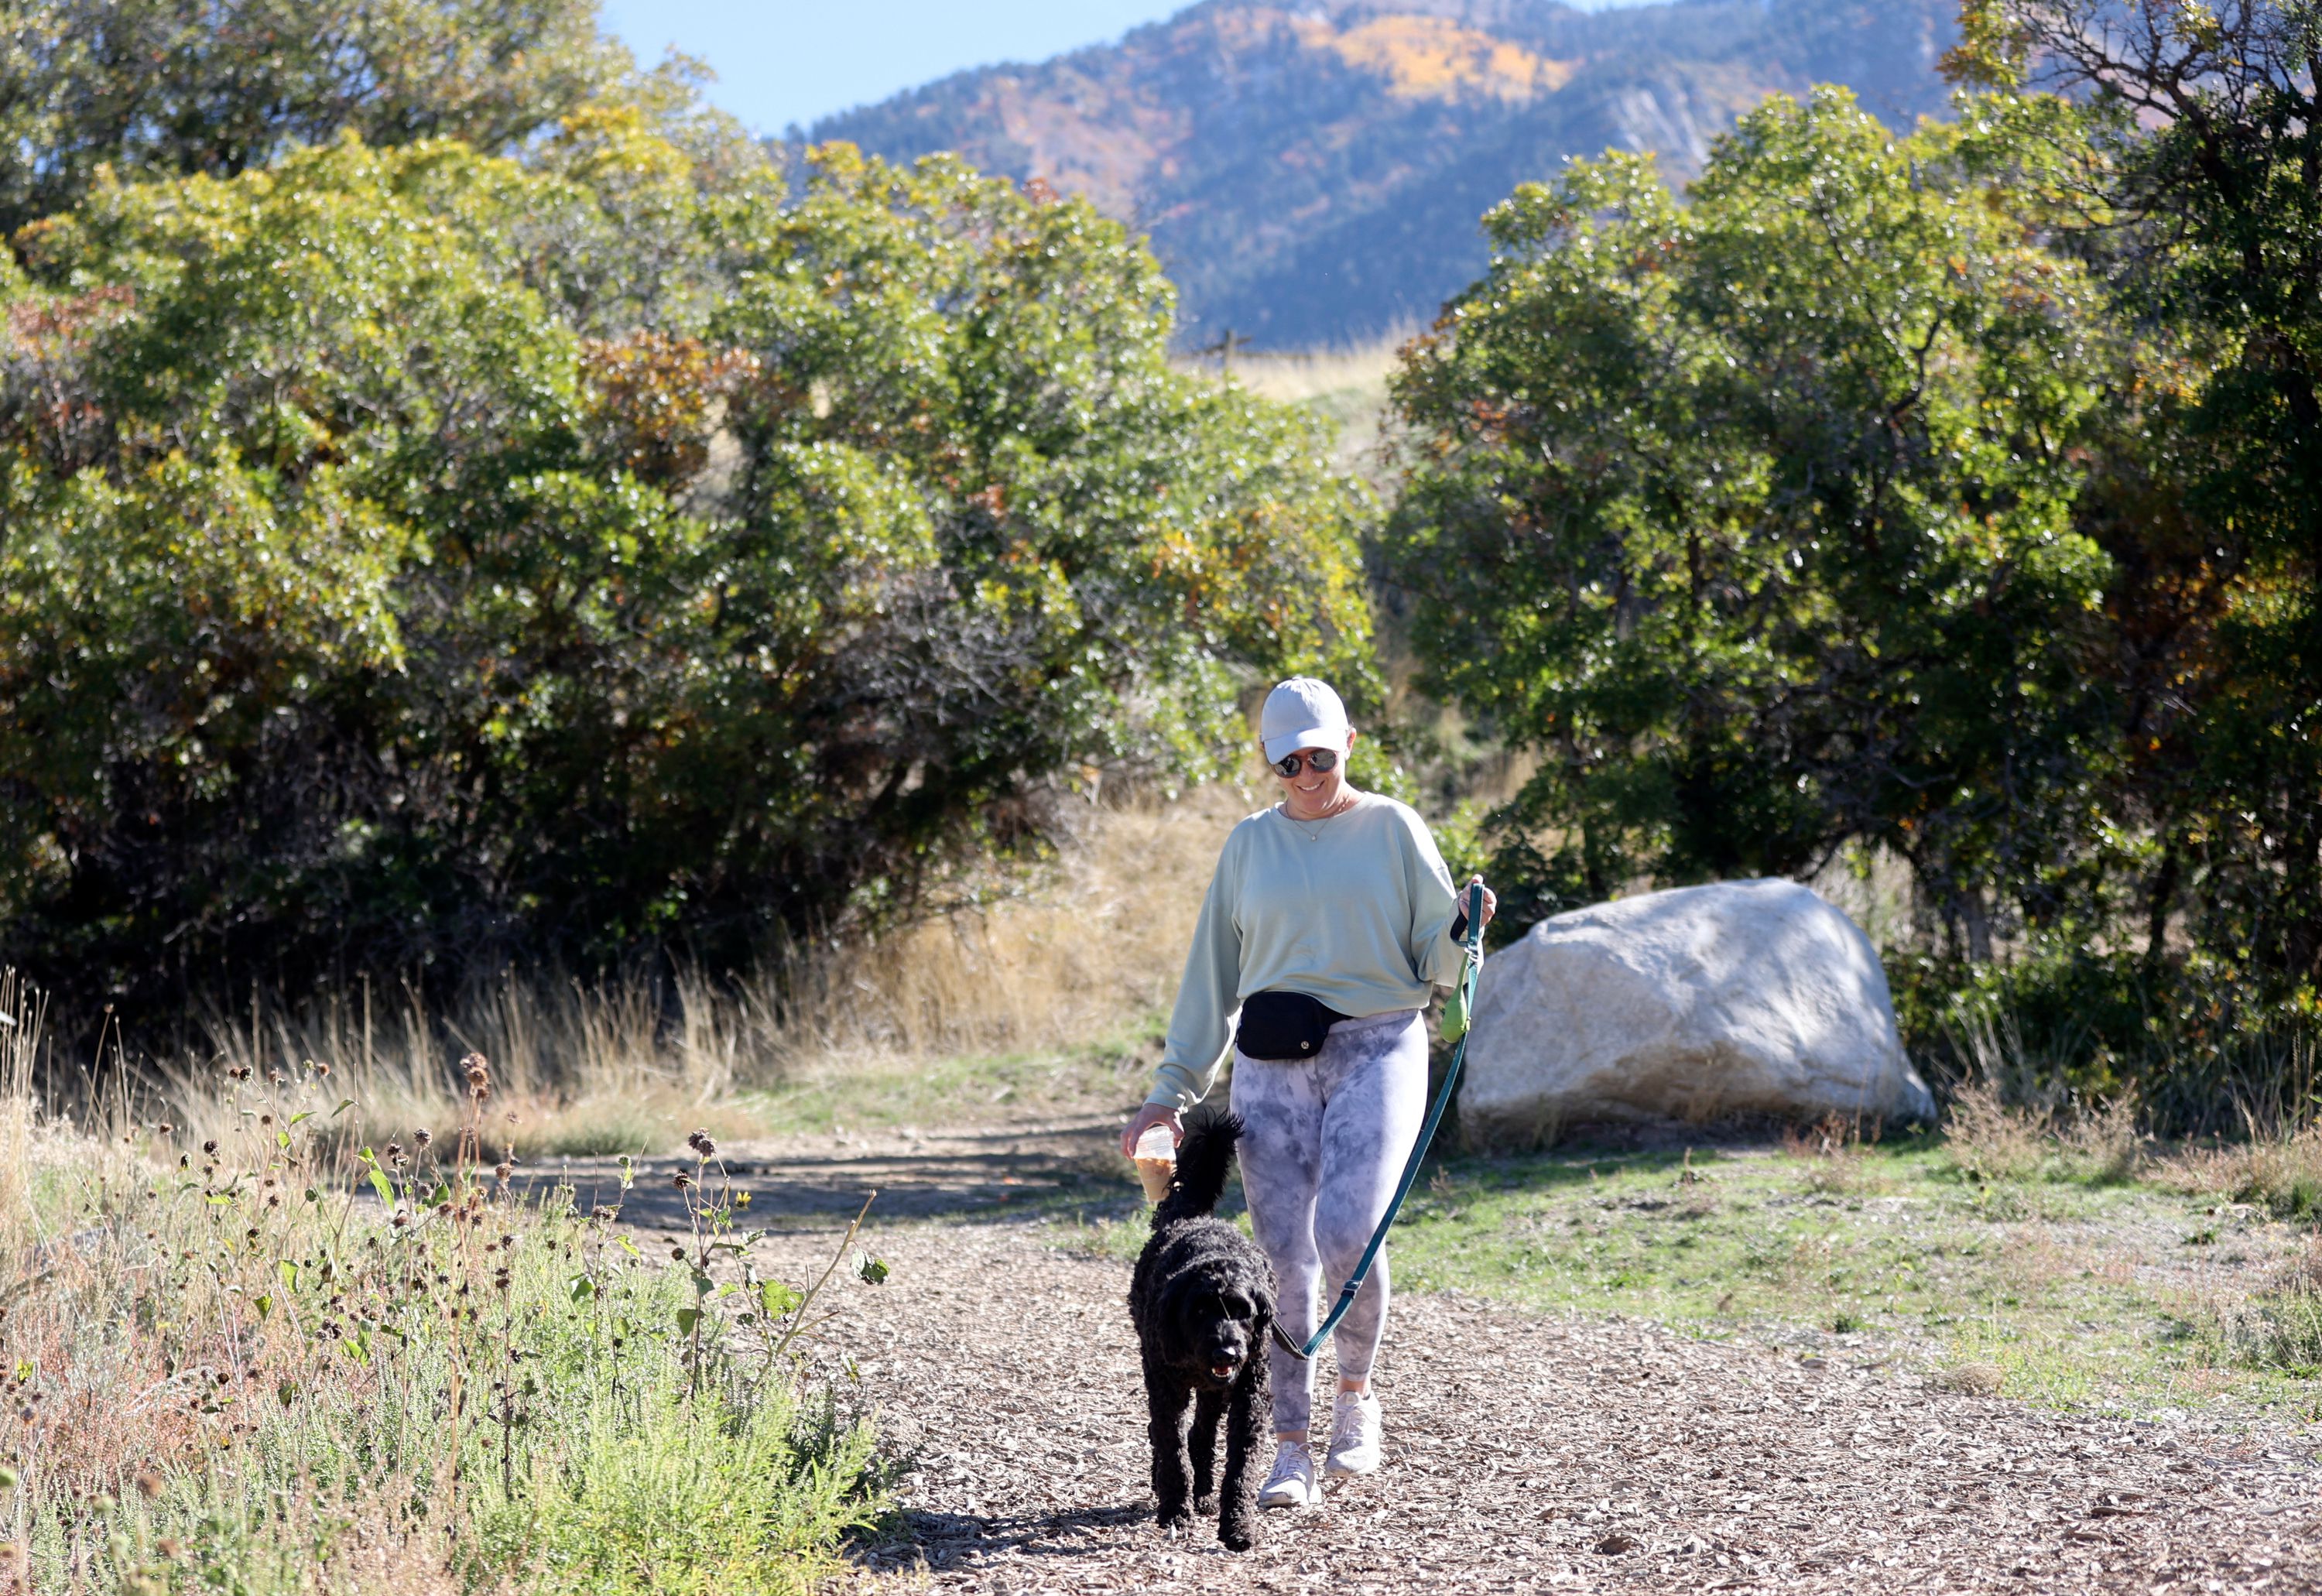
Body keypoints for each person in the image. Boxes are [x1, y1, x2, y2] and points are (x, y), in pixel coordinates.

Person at [1120, 677, 1494, 1510]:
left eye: (1320, 755)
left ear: (1349, 743)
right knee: (1280, 1260)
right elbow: (1211, 980)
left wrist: (1465, 928)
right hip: (1272, 1059)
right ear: (1271, 764)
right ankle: (1290, 1449)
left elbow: (1438, 956)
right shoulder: (1249, 845)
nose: (1307, 772)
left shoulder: (1393, 827)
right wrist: (1167, 1095)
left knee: (1350, 1229)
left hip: (1377, 1044)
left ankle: (1355, 1399)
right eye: (1288, 761)